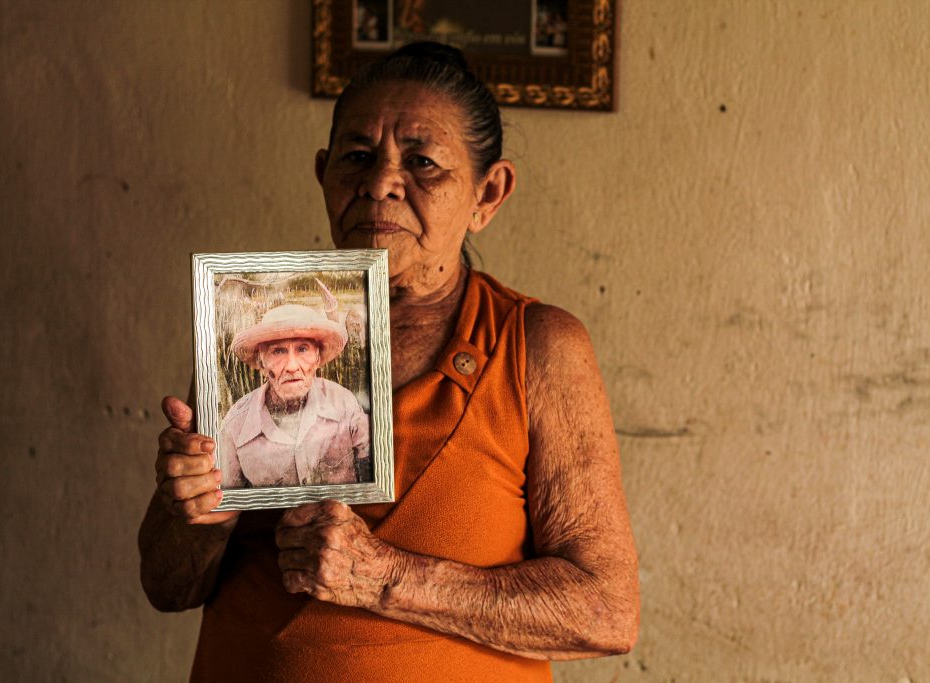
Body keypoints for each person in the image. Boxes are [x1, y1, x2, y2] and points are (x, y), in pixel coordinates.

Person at [139, 41, 639, 682]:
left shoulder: (534, 346)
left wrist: (384, 577)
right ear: (323, 173)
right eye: (357, 157)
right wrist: (195, 514)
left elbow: (605, 611)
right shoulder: (256, 326)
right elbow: (166, 585)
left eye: (423, 163)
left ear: (489, 193)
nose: (379, 182)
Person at [218, 302, 371, 488]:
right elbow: (228, 503)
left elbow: (370, 466)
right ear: (262, 361)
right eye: (278, 351)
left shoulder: (344, 403)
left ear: (317, 357)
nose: (291, 366)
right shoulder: (235, 427)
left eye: (303, 349)